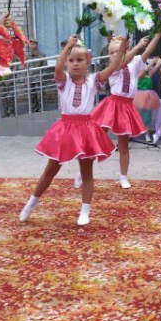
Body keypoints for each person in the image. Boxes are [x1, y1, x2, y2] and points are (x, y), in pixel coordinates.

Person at [19, 35, 125, 226]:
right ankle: (31, 202)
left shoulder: (94, 80)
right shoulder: (64, 80)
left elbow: (113, 67)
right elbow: (58, 68)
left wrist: (122, 48)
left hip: (86, 129)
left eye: (80, 60)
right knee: (50, 169)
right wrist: (68, 45)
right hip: (66, 129)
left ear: (88, 62)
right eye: (71, 60)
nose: (75, 64)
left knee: (87, 172)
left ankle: (85, 210)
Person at [90, 32, 161, 188]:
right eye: (111, 52)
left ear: (125, 49)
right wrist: (138, 46)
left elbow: (147, 52)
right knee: (97, 138)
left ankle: (123, 177)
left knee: (124, 144)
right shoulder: (113, 67)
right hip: (112, 104)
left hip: (127, 106)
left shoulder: (134, 62)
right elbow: (122, 61)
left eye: (118, 50)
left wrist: (157, 35)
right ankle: (83, 173)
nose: (115, 54)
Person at [135, 53, 161, 142]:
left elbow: (156, 67)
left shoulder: (148, 74)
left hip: (149, 97)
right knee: (138, 115)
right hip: (139, 97)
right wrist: (151, 62)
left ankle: (147, 133)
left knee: (147, 115)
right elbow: (144, 71)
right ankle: (134, 133)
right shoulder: (138, 75)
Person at [26, 40, 45, 112]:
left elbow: (44, 68)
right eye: (30, 44)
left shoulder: (42, 55)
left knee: (40, 96)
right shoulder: (28, 56)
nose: (31, 45)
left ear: (36, 45)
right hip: (30, 79)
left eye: (33, 44)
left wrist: (41, 77)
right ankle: (34, 110)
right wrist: (26, 78)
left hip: (38, 79)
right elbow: (26, 68)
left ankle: (41, 110)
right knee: (32, 96)